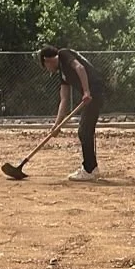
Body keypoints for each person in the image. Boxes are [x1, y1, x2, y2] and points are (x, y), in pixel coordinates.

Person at [40, 45, 105, 181]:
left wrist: (86, 91)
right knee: (85, 130)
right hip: (92, 93)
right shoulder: (63, 74)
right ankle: (91, 168)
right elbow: (64, 99)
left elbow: (79, 68)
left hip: (95, 90)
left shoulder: (63, 54)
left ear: (47, 60)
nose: (48, 70)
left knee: (84, 130)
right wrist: (57, 125)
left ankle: (89, 170)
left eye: (45, 67)